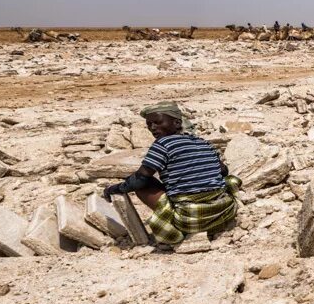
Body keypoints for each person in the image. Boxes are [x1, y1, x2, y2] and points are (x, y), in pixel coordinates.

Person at [103, 102, 240, 246]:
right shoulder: (203, 143)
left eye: (157, 122)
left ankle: (177, 232)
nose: (152, 128)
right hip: (224, 214)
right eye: (149, 124)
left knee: (145, 182)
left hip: (190, 221)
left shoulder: (163, 144)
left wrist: (114, 189)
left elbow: (140, 180)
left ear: (177, 123)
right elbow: (223, 171)